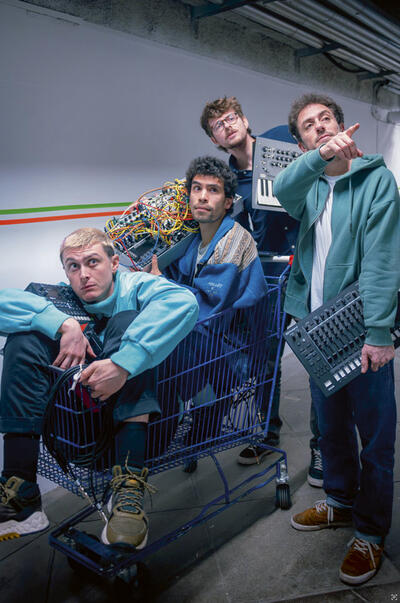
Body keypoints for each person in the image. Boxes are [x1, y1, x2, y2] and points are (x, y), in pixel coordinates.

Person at [0, 227, 199, 548]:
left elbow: (183, 301)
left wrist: (123, 364)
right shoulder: (64, 300)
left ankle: (128, 490)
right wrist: (63, 324)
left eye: (93, 262)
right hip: (81, 434)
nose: (83, 274)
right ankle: (21, 489)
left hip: (148, 430)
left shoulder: (135, 285)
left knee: (126, 321)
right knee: (25, 338)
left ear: (114, 263)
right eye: (73, 266)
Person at [273, 92, 400, 585]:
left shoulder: (375, 180)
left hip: (361, 328)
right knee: (330, 429)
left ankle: (370, 532)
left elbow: (383, 260)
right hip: (318, 329)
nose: (320, 127)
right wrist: (319, 158)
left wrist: (379, 333)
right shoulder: (307, 187)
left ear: (343, 127)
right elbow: (282, 187)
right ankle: (341, 502)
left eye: (326, 119)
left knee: (376, 439)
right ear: (302, 142)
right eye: (309, 125)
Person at [200, 97, 320, 478]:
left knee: (318, 356)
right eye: (218, 125)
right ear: (215, 139)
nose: (228, 125)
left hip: (309, 265)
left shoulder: (281, 140)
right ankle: (267, 434)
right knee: (267, 358)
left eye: (231, 117)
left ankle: (323, 447)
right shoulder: (227, 181)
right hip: (269, 276)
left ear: (244, 119)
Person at [150, 156, 268, 446]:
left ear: (228, 202)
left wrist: (160, 284)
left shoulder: (236, 240)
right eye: (197, 188)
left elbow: (210, 307)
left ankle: (194, 411)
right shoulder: (193, 241)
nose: (202, 196)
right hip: (204, 343)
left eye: (213, 190)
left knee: (166, 343)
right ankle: (186, 418)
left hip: (231, 351)